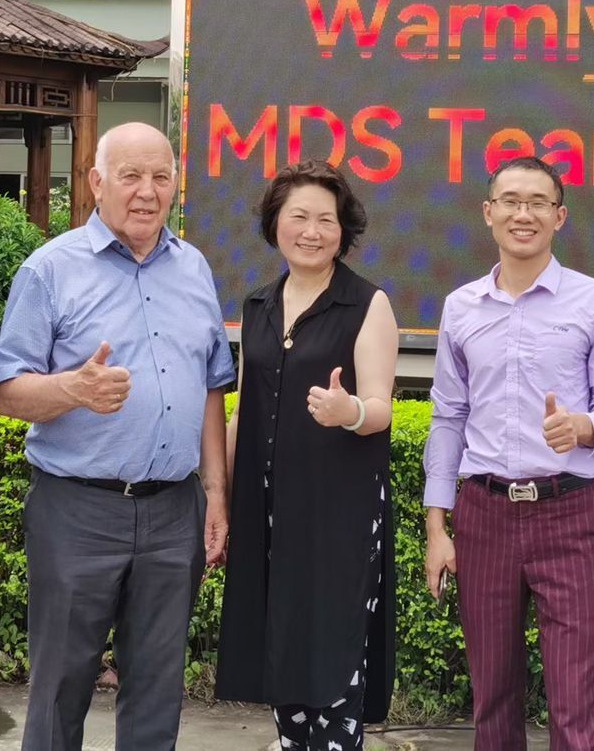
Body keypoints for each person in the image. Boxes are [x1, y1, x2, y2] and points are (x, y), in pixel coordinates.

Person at [0, 122, 235, 751]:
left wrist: (215, 495)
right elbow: (7, 390)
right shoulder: (50, 269)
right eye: (130, 176)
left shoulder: (194, 267)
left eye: (160, 177)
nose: (147, 191)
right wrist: (74, 389)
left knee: (157, 687)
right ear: (97, 182)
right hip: (78, 509)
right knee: (60, 686)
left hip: (174, 511)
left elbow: (212, 387)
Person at [421, 156, 594, 751]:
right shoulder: (461, 306)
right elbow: (448, 417)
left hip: (569, 513)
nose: (524, 213)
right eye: (511, 201)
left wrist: (583, 428)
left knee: (577, 701)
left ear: (559, 217)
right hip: (484, 514)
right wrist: (437, 526)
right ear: (488, 213)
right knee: (492, 698)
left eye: (539, 202)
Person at [217, 161, 402, 751]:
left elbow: (381, 408)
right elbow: (244, 410)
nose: (312, 231)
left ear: (344, 231)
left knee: (334, 649)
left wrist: (349, 411)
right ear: (275, 223)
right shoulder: (258, 305)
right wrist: (220, 499)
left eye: (327, 219)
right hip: (270, 512)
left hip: (339, 512)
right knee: (283, 646)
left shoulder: (367, 304)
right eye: (299, 216)